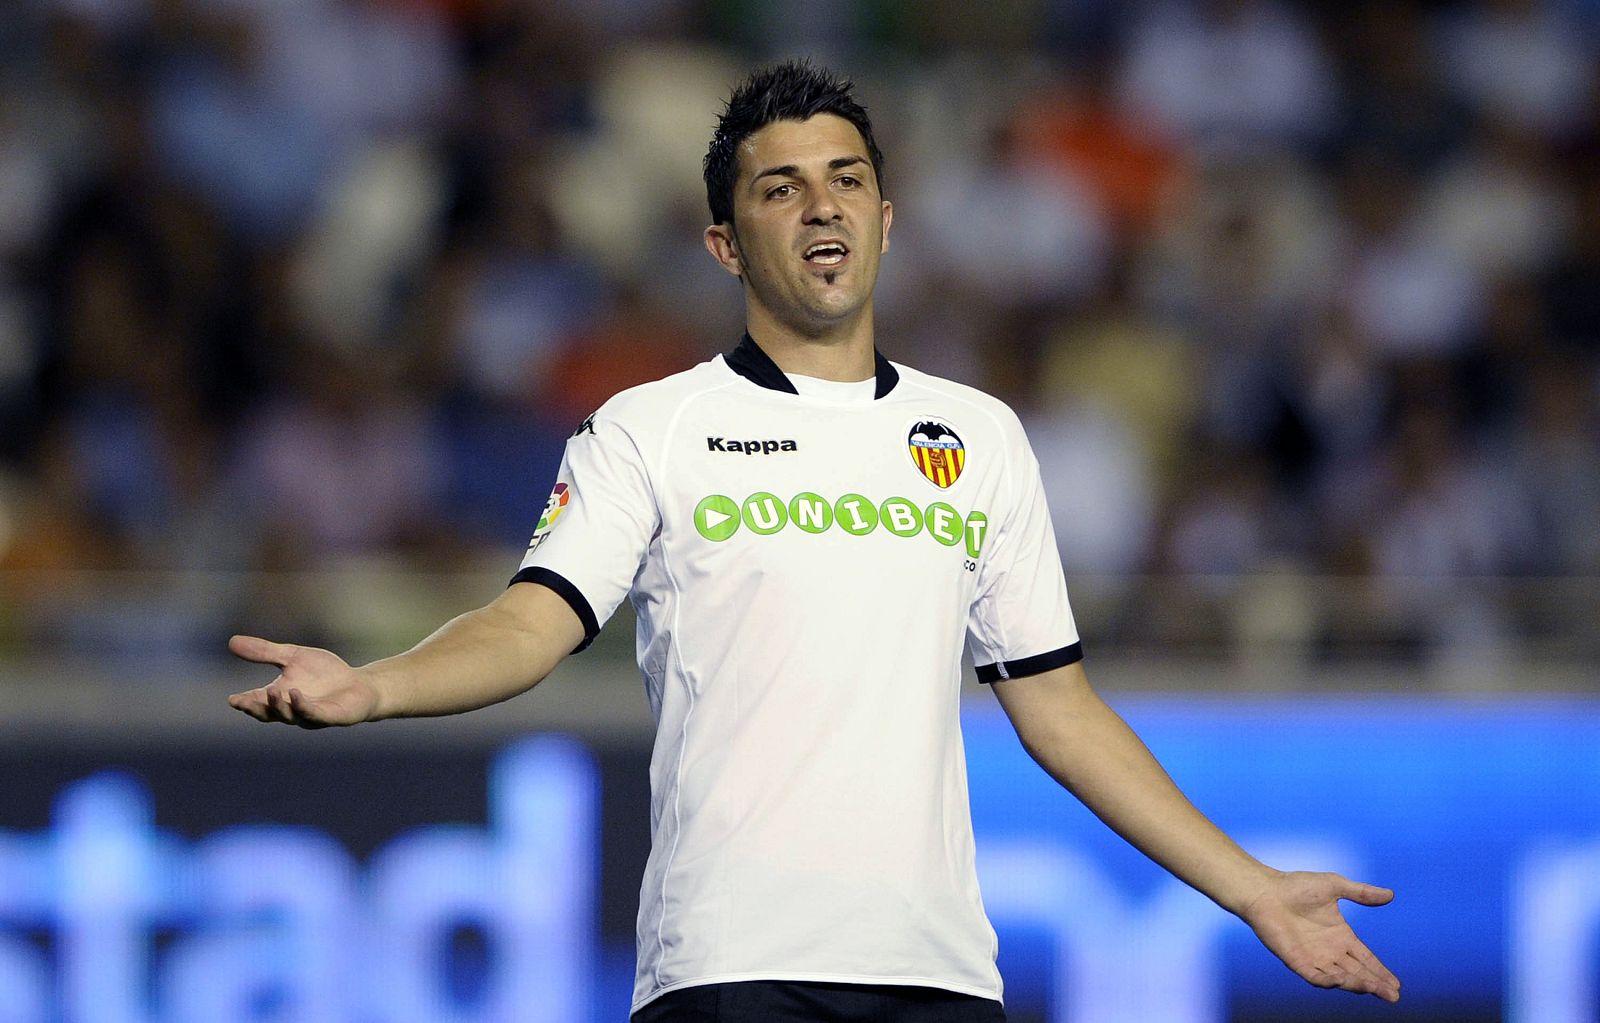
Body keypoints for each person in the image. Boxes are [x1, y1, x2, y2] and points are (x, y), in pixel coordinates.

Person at [228, 60, 1401, 1022]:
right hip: (731, 968)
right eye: (780, 189)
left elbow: (1060, 709)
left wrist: (1251, 891)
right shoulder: (652, 427)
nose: (822, 204)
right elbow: (528, 625)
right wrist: (371, 689)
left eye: (844, 180)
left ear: (885, 222)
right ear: (725, 246)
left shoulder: (978, 437)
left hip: (937, 977)